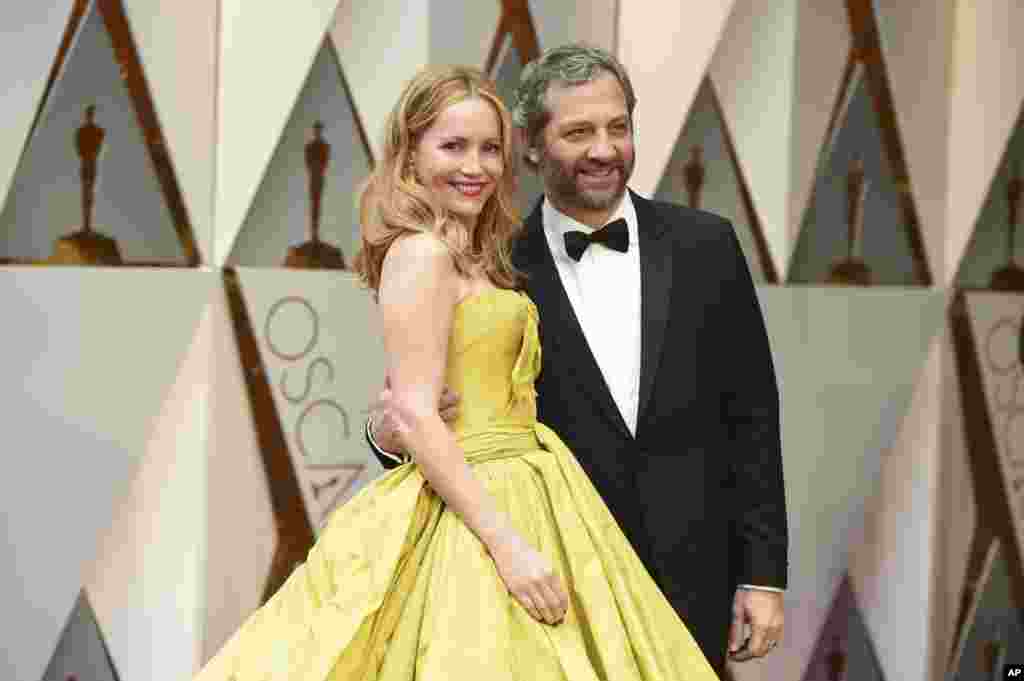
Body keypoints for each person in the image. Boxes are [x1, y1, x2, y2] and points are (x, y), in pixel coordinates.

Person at [195, 64, 718, 680]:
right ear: (410, 154)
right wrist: (507, 544)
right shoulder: (421, 254)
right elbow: (415, 411)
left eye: (489, 149)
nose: (475, 166)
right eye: (453, 146)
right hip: (477, 508)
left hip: (543, 489)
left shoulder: (486, 252)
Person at [367, 45, 788, 672]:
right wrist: (384, 429)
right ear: (533, 146)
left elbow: (753, 413)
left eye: (618, 128)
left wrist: (763, 575)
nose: (603, 149)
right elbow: (424, 399)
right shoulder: (493, 256)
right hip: (558, 563)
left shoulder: (707, 245)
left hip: (694, 566)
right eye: (578, 132)